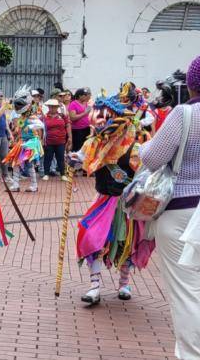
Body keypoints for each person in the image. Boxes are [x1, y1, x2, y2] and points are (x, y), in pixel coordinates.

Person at [139, 54, 200, 359]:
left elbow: (153, 158)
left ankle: (193, 355)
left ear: (190, 85)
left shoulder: (185, 114)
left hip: (181, 208)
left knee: (186, 293)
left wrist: (142, 145)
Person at [71, 89, 154, 305]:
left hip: (127, 205)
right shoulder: (94, 144)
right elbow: (80, 157)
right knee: (91, 237)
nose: (99, 124)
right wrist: (72, 160)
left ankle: (124, 283)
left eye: (104, 119)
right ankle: (94, 287)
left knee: (127, 243)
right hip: (103, 200)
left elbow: (146, 170)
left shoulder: (134, 146)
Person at [3, 87, 44, 192]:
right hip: (22, 142)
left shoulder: (31, 117)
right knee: (16, 162)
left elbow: (41, 125)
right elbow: (19, 129)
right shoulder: (22, 117)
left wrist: (29, 127)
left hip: (30, 143)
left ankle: (34, 185)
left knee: (29, 164)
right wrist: (15, 134)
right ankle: (16, 185)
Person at [41, 99, 70, 180]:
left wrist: (70, 137)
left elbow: (68, 125)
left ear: (57, 107)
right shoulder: (44, 117)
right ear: (48, 107)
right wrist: (41, 139)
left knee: (60, 158)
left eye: (54, 107)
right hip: (49, 141)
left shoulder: (62, 116)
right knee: (47, 157)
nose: (52, 108)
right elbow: (41, 129)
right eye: (51, 107)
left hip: (61, 141)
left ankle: (63, 175)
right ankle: (46, 174)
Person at [69, 88, 93, 153]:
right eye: (84, 95)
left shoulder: (85, 103)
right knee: (78, 148)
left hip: (86, 128)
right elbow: (73, 117)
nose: (86, 96)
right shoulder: (73, 104)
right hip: (77, 130)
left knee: (85, 147)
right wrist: (85, 113)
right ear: (80, 96)